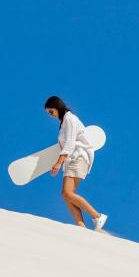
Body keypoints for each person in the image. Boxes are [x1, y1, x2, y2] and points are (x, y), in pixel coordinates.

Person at [44, 96, 107, 230]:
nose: (51, 115)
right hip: (72, 160)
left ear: (57, 107)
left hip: (78, 157)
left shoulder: (70, 119)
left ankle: (97, 216)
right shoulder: (64, 122)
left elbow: (70, 142)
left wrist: (58, 163)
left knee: (67, 193)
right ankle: (80, 225)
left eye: (51, 112)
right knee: (66, 194)